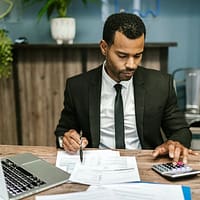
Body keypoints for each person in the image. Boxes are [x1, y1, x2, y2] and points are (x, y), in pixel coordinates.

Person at [55, 12, 197, 164]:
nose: (131, 64)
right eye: (122, 56)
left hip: (146, 164)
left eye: (137, 55)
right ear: (104, 47)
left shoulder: (161, 85)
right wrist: (67, 140)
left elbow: (181, 131)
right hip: (97, 166)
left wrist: (175, 142)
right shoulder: (78, 87)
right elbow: (63, 132)